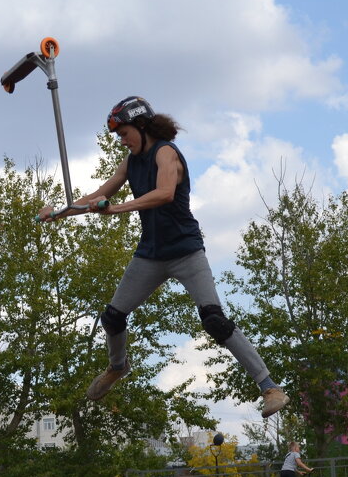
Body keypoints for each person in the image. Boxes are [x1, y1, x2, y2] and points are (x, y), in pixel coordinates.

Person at [38, 97, 289, 418]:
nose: (122, 140)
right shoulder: (130, 162)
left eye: (124, 132)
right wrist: (58, 212)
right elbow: (100, 195)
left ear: (141, 126)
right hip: (150, 255)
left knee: (214, 320)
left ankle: (269, 387)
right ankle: (118, 367)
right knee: (112, 317)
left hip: (186, 251)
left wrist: (117, 208)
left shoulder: (166, 153)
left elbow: (165, 192)